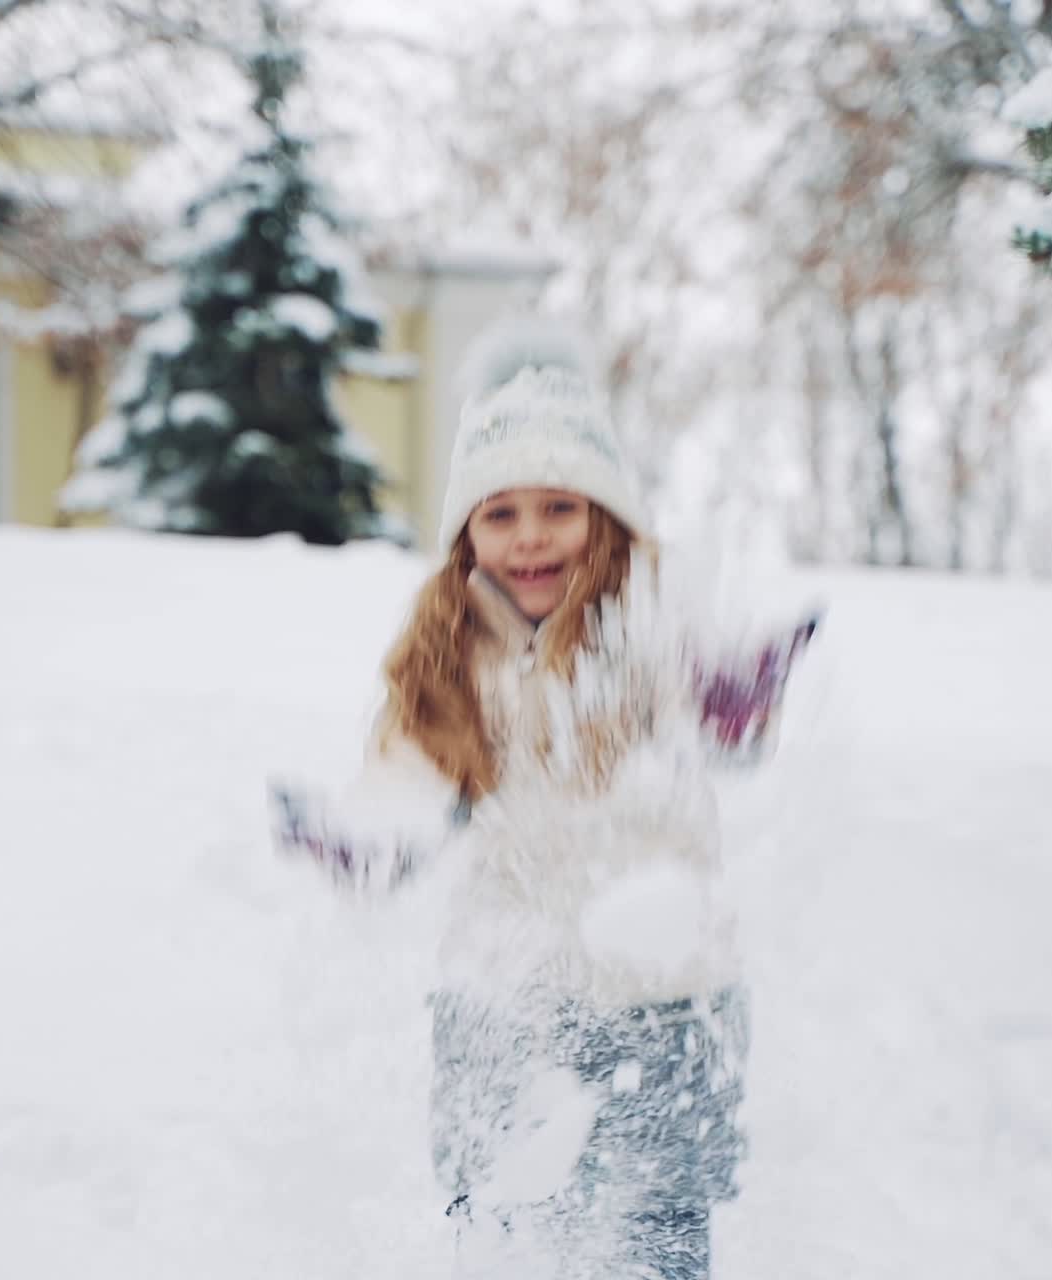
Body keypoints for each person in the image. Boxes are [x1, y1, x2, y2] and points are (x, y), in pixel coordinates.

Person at [274, 319, 816, 1279]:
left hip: (666, 991)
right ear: (466, 531)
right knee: (502, 1226)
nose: (530, 537)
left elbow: (716, 704)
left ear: (604, 516)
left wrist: (736, 696)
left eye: (559, 508)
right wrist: (366, 842)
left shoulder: (655, 609)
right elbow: (407, 783)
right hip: (501, 993)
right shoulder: (442, 649)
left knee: (654, 1234)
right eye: (501, 513)